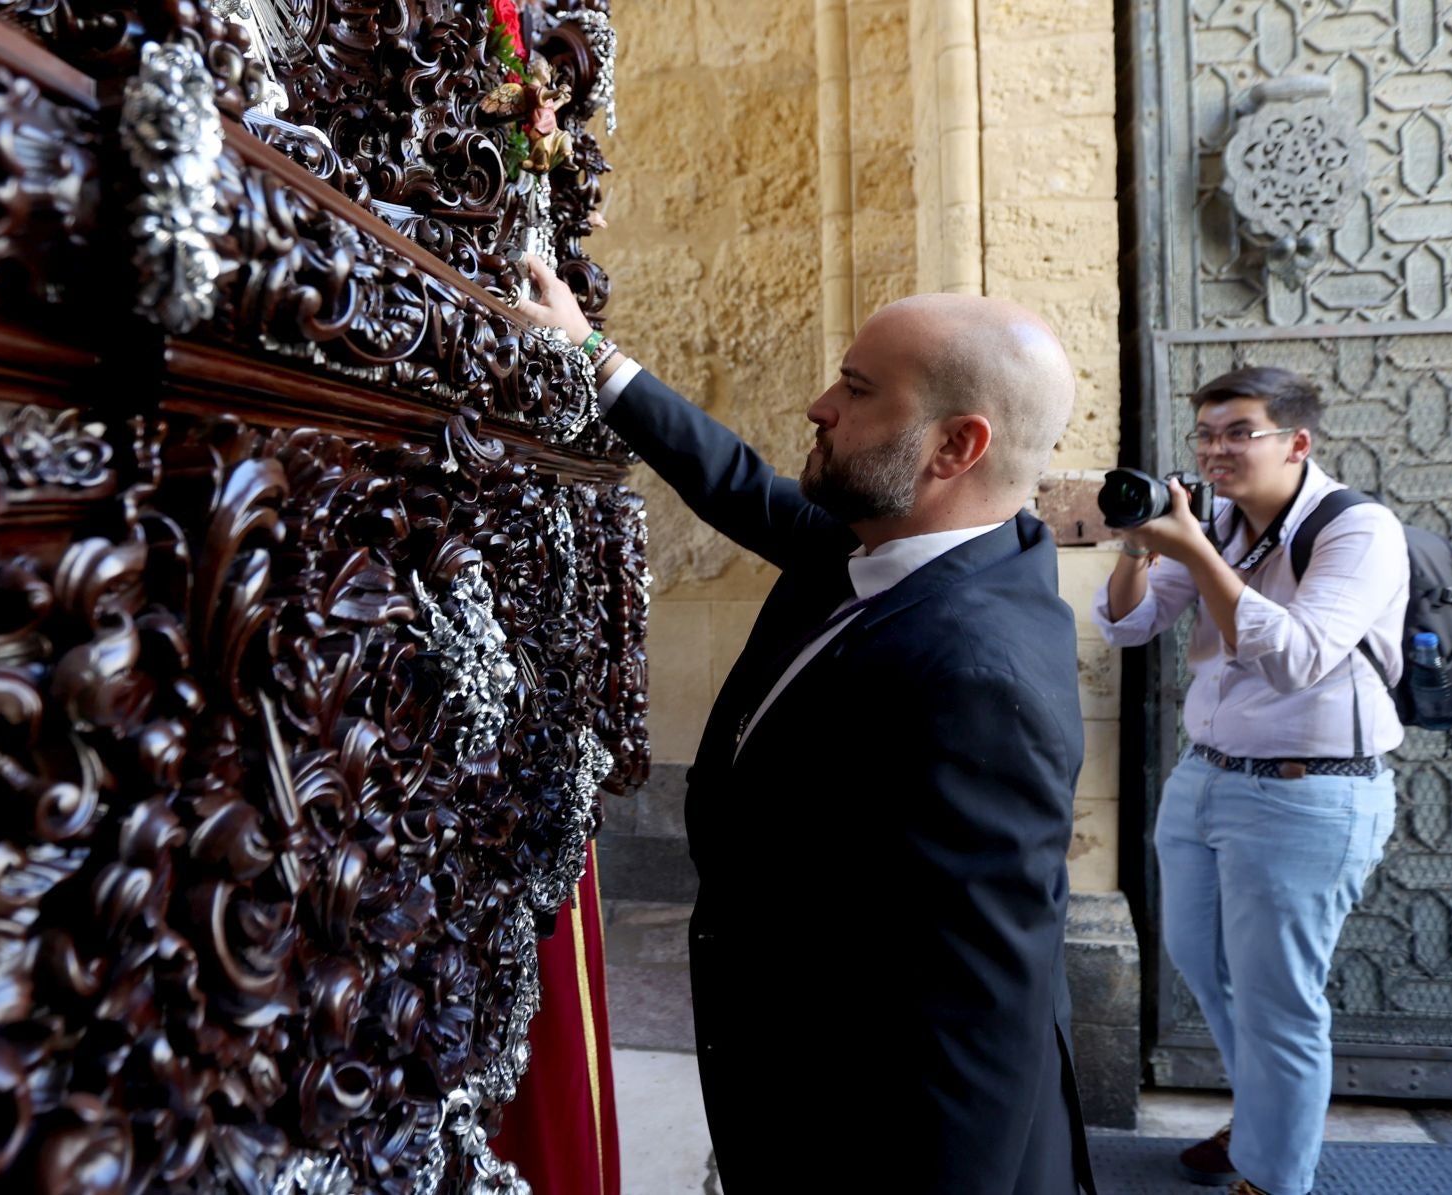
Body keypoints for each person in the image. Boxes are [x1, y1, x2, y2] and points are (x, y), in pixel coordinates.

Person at [520, 258, 1094, 1193]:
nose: (820, 404)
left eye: (858, 389)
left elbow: (982, 1009)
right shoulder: (912, 545)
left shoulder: (977, 674)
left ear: (956, 446)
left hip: (873, 1143)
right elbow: (743, 487)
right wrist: (593, 355)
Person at [1091, 367, 1407, 1195]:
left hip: (1310, 790)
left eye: (1238, 432)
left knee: (1279, 999)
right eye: (1204, 434)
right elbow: (1128, 622)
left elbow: (1297, 658)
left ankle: (1273, 1176)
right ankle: (1264, 1115)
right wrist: (1137, 540)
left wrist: (1193, 548)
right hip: (1206, 779)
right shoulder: (1217, 519)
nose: (1215, 450)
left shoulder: (1356, 530)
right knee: (1203, 962)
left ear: (1297, 442)